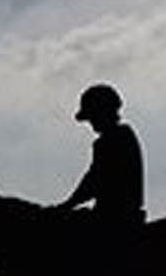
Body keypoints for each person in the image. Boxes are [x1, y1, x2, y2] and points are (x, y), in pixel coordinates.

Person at [53, 83, 146, 232]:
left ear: (102, 112)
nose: (91, 123)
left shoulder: (110, 141)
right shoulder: (123, 136)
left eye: (92, 117)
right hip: (122, 214)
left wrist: (67, 205)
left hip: (113, 217)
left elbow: (95, 179)